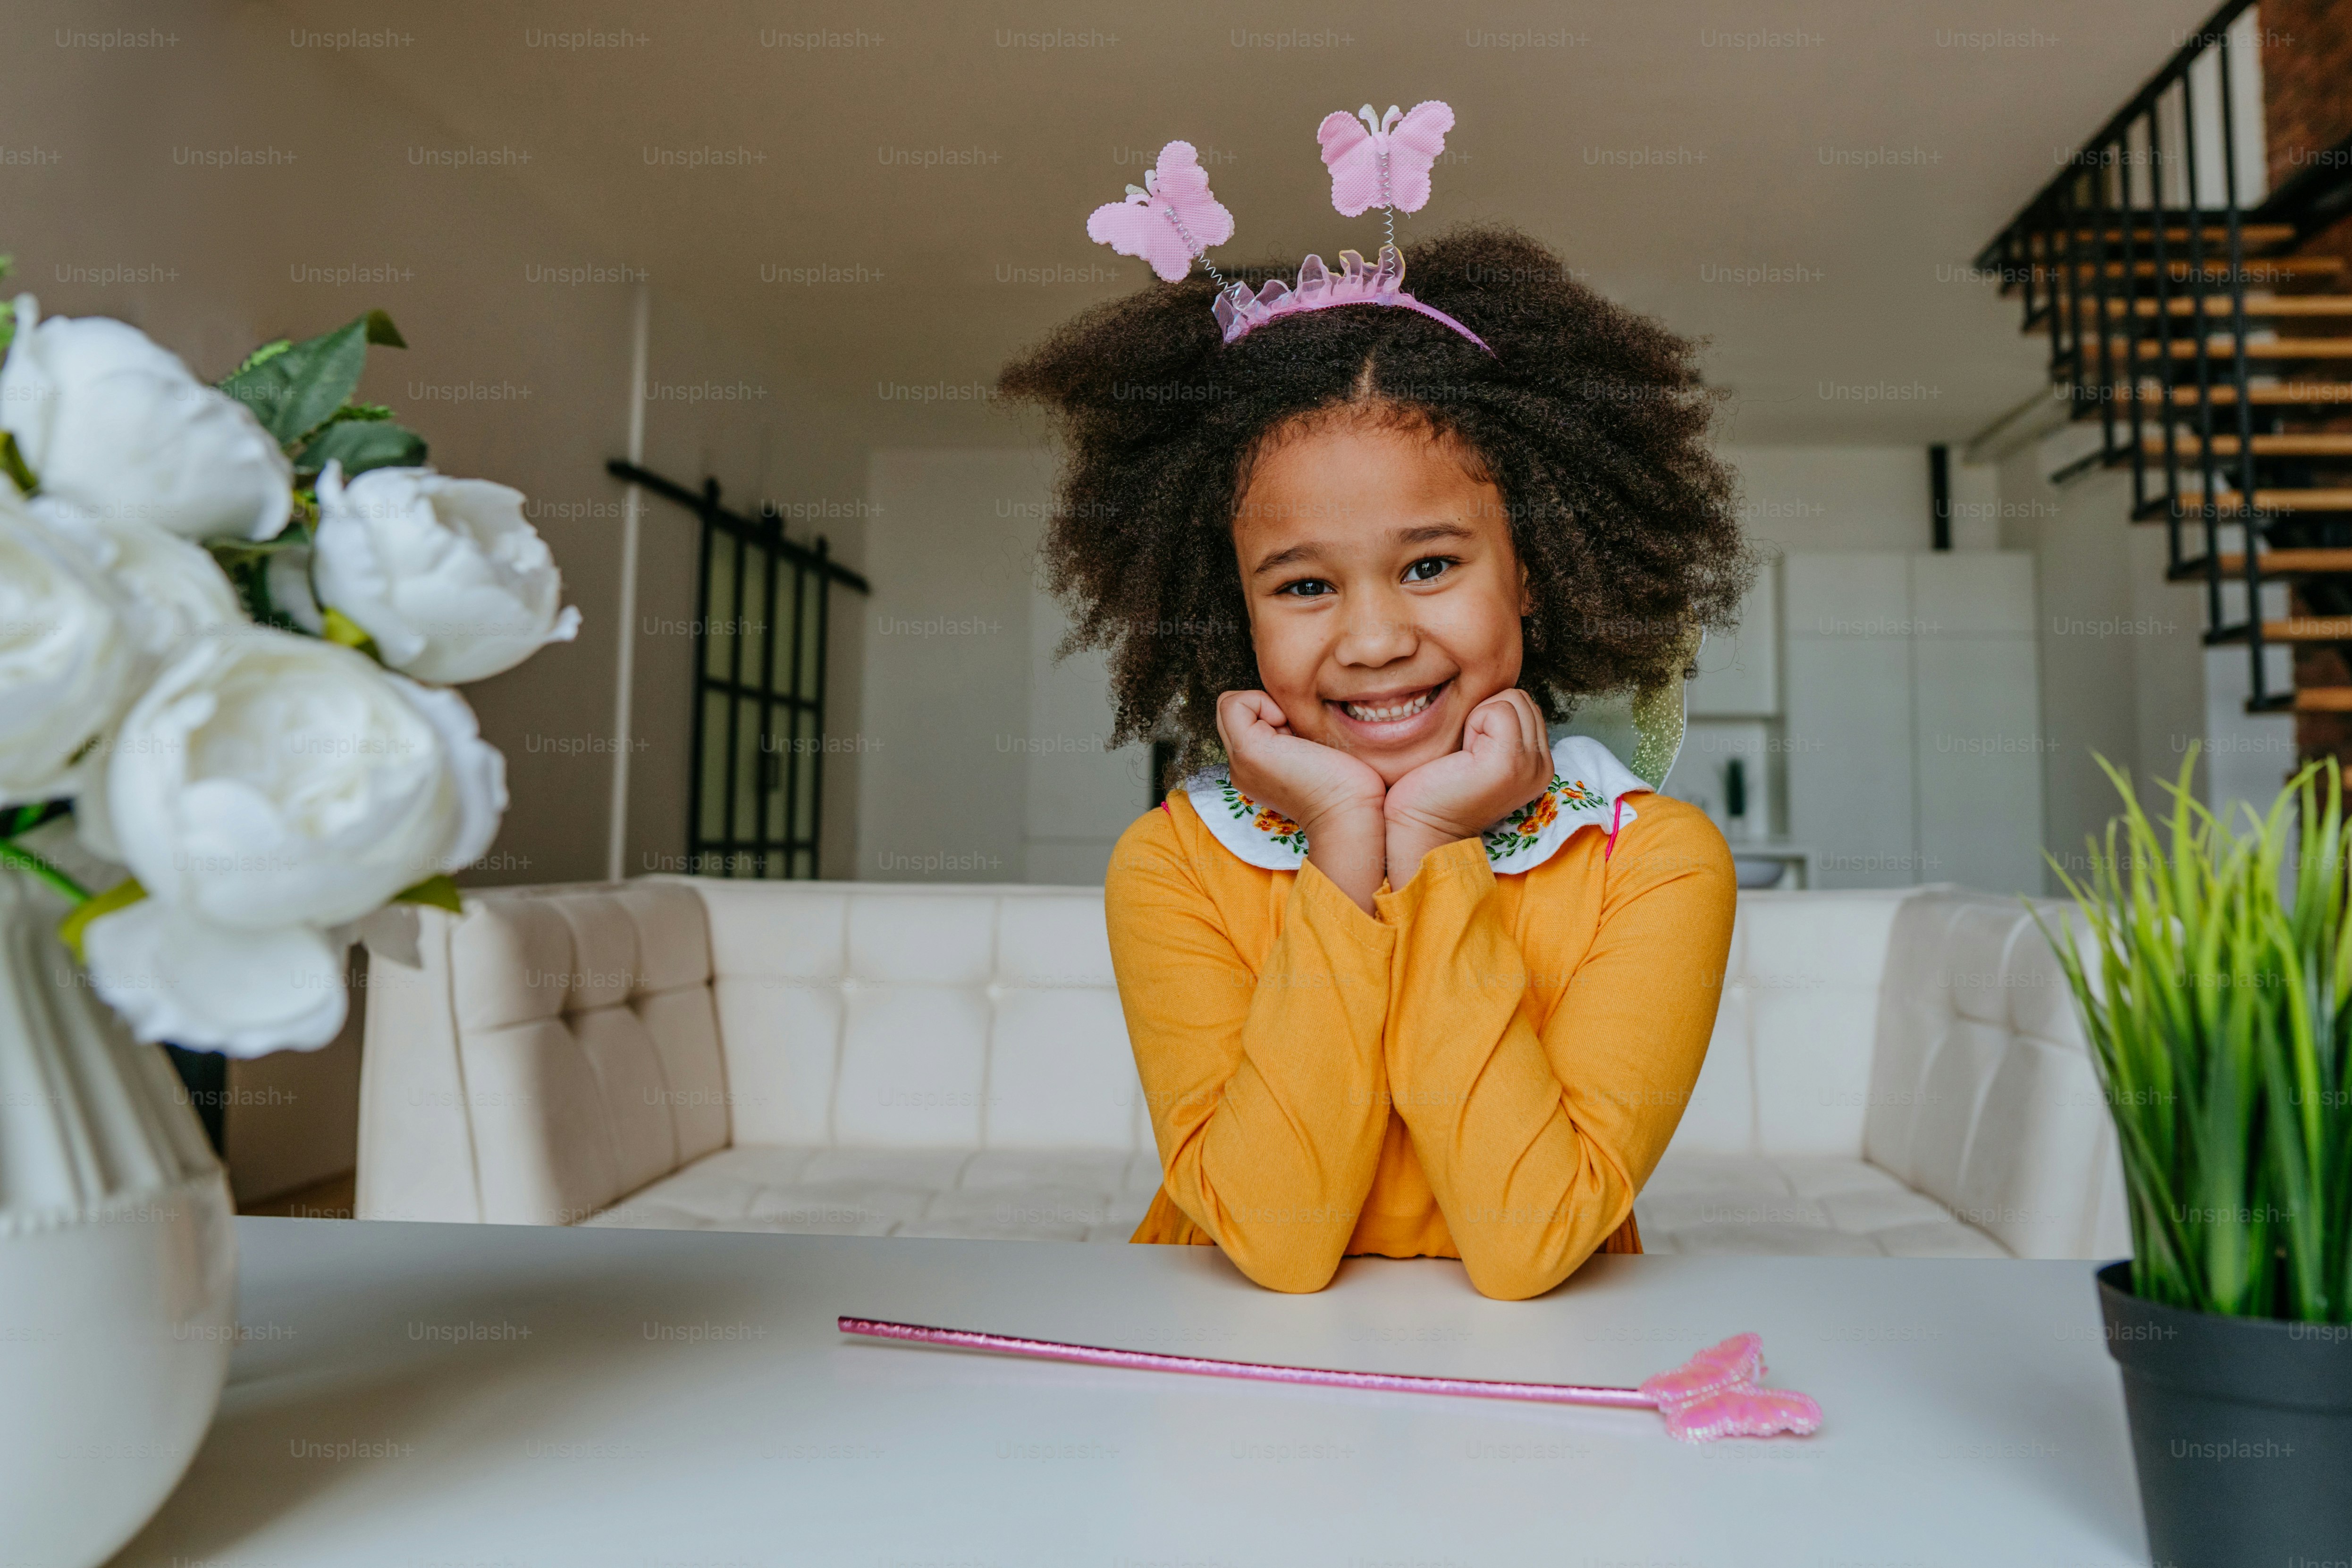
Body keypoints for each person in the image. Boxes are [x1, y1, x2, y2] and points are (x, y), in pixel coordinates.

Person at [997, 115, 1752, 1300]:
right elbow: (1279, 1242)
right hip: (1221, 1393)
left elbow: (1525, 1244)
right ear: (1229, 610)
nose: (1372, 638)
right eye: (1302, 584)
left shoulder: (1652, 865)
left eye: (1430, 564)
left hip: (1527, 1417)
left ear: (1536, 567)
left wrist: (1437, 845)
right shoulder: (1175, 866)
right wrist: (1348, 842)